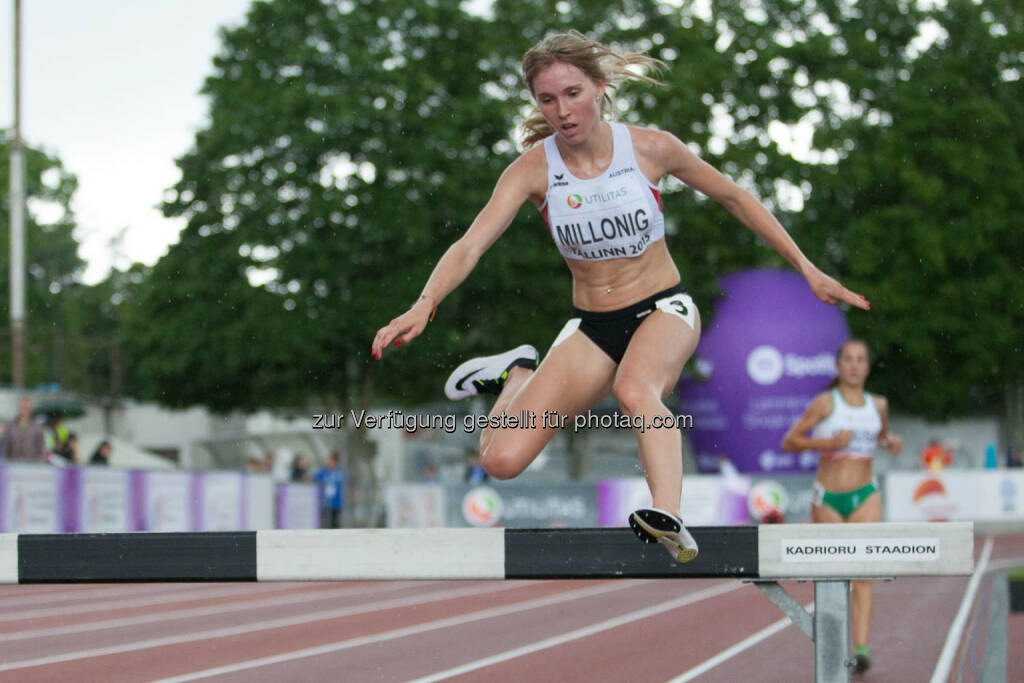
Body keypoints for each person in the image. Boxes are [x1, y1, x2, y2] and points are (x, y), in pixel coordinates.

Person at [371, 31, 868, 564]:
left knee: (636, 388)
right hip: (592, 327)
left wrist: (806, 267)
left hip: (664, 309)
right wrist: (426, 301)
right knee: (501, 461)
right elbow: (470, 245)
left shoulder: (651, 148)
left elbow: (735, 197)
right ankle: (518, 374)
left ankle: (669, 515)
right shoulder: (533, 170)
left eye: (573, 93)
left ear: (600, 87)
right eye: (547, 99)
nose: (562, 111)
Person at [781, 339, 903, 674]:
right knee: (833, 575)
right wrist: (828, 443)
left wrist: (890, 442)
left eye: (860, 359)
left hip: (865, 494)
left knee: (864, 573)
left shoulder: (878, 405)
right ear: (839, 366)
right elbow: (790, 441)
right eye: (847, 359)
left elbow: (880, 435)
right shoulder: (825, 403)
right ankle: (836, 647)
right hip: (829, 498)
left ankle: (861, 648)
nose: (853, 365)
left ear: (867, 367)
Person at [4, 396, 47, 462]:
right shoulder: (11, 425)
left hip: (32, 465)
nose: (24, 409)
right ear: (19, 408)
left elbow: (41, 448)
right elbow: (6, 447)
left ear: (30, 409)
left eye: (26, 407)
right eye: (22, 407)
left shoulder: (37, 427)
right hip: (14, 464)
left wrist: (39, 463)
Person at [313, 452, 347, 528]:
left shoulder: (341, 471)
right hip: (325, 502)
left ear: (335, 461)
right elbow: (313, 477)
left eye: (330, 460)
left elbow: (350, 481)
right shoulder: (324, 471)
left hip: (337, 503)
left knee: (335, 523)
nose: (328, 462)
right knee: (326, 523)